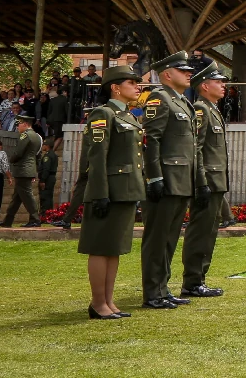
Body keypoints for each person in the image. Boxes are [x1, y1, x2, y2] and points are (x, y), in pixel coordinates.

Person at [78, 65, 146, 319]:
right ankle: (98, 303)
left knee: (114, 248)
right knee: (100, 247)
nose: (138, 86)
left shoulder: (128, 116)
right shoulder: (102, 114)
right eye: (132, 82)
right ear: (116, 88)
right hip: (108, 191)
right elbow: (97, 158)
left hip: (126, 190)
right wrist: (99, 193)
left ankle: (108, 301)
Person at [138, 51, 198, 309]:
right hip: (166, 178)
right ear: (166, 74)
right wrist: (154, 177)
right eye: (181, 70)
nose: (188, 73)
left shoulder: (182, 102)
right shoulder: (159, 99)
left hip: (182, 179)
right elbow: (151, 140)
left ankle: (163, 289)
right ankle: (153, 292)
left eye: (188, 70)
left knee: (170, 237)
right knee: (157, 238)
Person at [181, 61, 231, 299]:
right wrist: (200, 181)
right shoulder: (201, 110)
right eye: (218, 81)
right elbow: (196, 149)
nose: (223, 85)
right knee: (200, 231)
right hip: (208, 181)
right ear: (204, 85)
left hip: (216, 181)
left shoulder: (212, 109)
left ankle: (199, 279)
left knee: (209, 232)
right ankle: (192, 281)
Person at [0, 108, 43, 227]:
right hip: (29, 169)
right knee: (17, 197)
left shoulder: (25, 136)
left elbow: (18, 153)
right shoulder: (37, 136)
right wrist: (35, 171)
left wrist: (11, 159)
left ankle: (35, 219)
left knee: (27, 196)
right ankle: (8, 220)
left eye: (18, 124)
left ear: (25, 124)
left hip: (22, 170)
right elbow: (38, 155)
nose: (17, 127)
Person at [37, 139, 58, 218]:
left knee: (45, 197)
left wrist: (42, 180)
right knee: (49, 196)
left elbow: (46, 169)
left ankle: (45, 215)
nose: (43, 146)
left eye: (44, 145)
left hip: (47, 178)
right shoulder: (54, 155)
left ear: (47, 146)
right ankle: (49, 214)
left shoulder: (48, 156)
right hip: (51, 177)